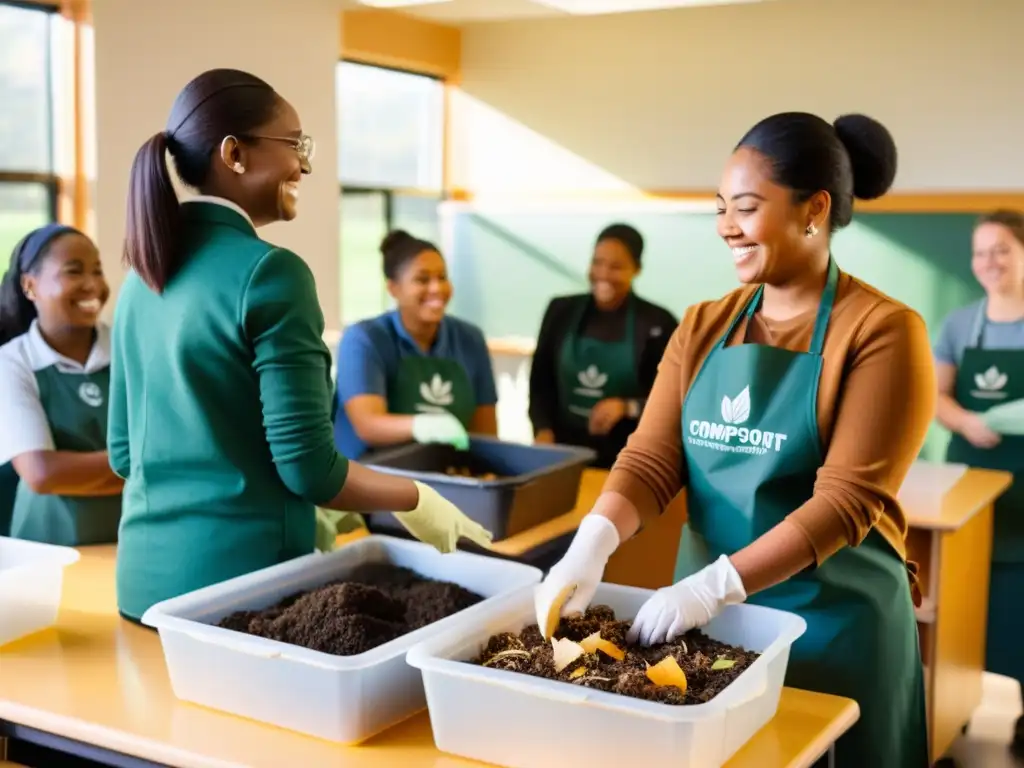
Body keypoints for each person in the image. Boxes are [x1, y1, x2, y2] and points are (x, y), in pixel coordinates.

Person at [534, 112, 934, 767]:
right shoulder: (703, 325)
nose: (725, 226)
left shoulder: (882, 332)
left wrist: (712, 585)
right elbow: (651, 458)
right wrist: (591, 543)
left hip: (833, 626)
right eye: (721, 208)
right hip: (709, 633)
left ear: (815, 210)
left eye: (746, 208)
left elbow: (845, 502)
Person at [109, 68, 491, 624]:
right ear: (234, 153)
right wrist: (416, 498)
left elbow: (124, 454)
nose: (305, 164)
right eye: (295, 144)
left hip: (141, 586)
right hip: (239, 594)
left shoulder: (142, 276)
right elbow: (311, 472)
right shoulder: (271, 273)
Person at [933, 209, 1024, 757]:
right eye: (980, 252)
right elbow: (938, 397)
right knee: (964, 593)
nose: (988, 262)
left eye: (1002, 250)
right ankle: (953, 709)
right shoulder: (960, 324)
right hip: (969, 479)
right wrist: (965, 419)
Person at [0, 224, 123, 545]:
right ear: (30, 286)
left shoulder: (128, 348)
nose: (93, 285)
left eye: (97, 271)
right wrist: (145, 465)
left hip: (132, 542)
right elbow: (42, 473)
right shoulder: (12, 363)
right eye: (74, 271)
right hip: (47, 549)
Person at [333, 229, 498, 460]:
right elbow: (368, 425)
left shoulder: (469, 340)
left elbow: (486, 434)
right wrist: (425, 426)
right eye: (422, 279)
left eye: (442, 277)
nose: (436, 289)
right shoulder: (364, 339)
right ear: (393, 288)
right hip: (368, 479)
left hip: (442, 478)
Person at [529, 224, 677, 468]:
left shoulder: (657, 323)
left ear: (636, 269)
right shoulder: (560, 312)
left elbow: (673, 398)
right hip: (561, 456)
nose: (603, 274)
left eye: (616, 267)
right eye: (597, 262)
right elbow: (540, 382)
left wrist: (628, 407)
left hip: (626, 461)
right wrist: (542, 430)